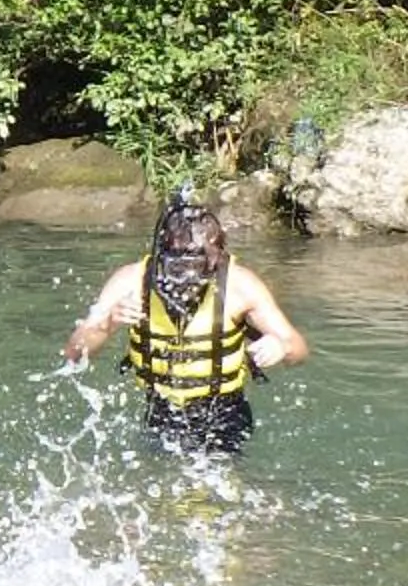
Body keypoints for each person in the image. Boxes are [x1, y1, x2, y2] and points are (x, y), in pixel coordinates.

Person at [63, 188, 306, 452]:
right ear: (162, 253)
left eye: (199, 262)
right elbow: (73, 352)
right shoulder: (131, 281)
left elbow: (298, 349)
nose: (188, 273)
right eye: (178, 262)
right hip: (161, 411)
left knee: (217, 484)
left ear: (216, 255)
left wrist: (281, 347)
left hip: (224, 413)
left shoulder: (240, 285)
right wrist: (107, 323)